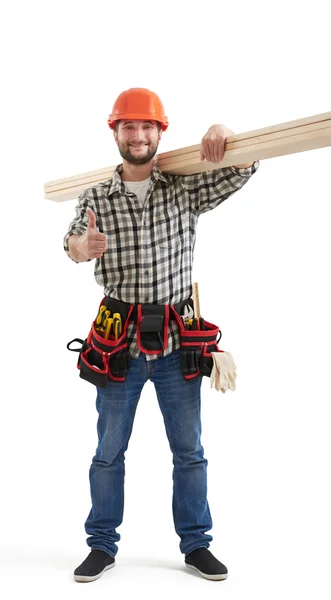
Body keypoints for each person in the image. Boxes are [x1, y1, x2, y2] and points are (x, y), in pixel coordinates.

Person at [64, 87, 259, 583]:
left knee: (189, 451)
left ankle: (196, 545)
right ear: (116, 132)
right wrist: (81, 246)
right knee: (108, 452)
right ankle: (102, 546)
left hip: (177, 345)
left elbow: (243, 165)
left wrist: (226, 135)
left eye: (146, 126)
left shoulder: (186, 187)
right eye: (128, 126)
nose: (138, 134)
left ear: (159, 131)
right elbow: (70, 244)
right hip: (119, 348)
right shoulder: (95, 199)